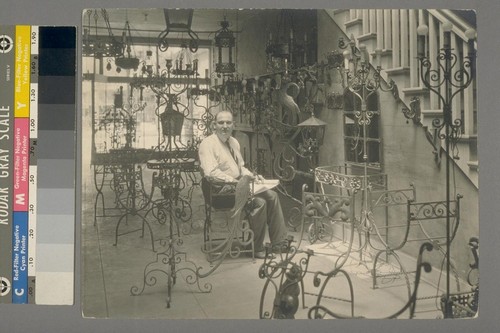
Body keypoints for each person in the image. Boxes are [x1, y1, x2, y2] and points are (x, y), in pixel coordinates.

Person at [198, 110, 288, 258]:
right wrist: (237, 182)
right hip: (219, 191)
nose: (225, 126)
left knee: (272, 195)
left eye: (228, 123)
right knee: (260, 203)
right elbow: (211, 173)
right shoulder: (207, 144)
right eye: (221, 123)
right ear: (214, 125)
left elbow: (240, 167)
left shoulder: (234, 142)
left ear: (233, 125)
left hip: (238, 186)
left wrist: (251, 176)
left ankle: (279, 243)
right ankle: (257, 248)